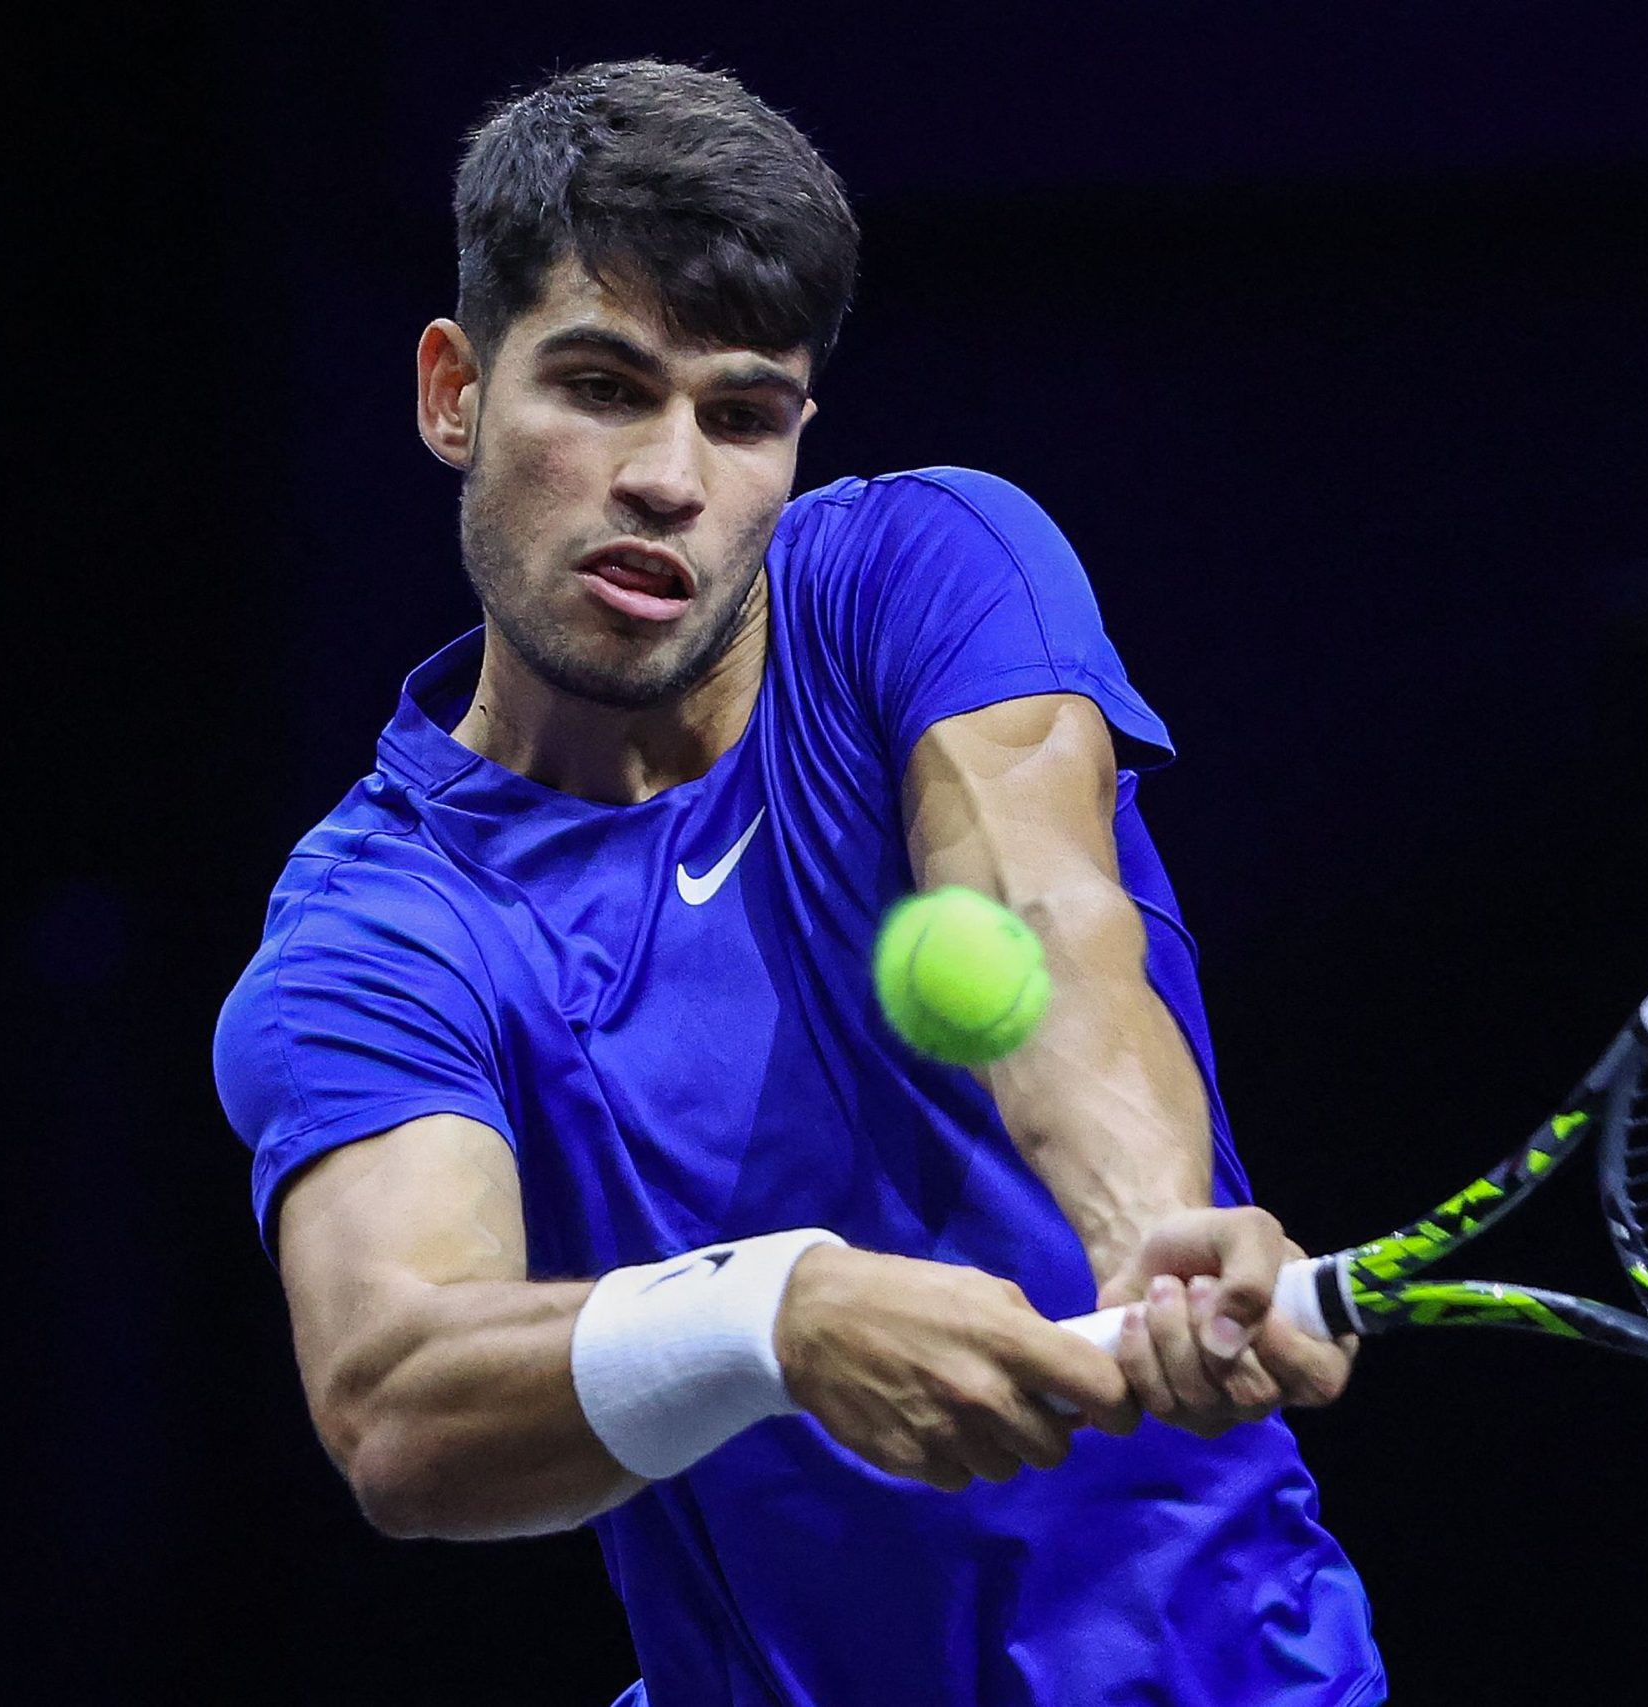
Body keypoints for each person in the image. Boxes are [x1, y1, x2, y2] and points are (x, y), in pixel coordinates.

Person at [213, 58, 1386, 1706]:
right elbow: (399, 1401)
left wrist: (1154, 1239)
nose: (671, 480)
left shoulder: (925, 570)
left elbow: (1043, 916)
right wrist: (773, 1317)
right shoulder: (377, 931)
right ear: (453, 392)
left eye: (741, 413)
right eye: (604, 386)